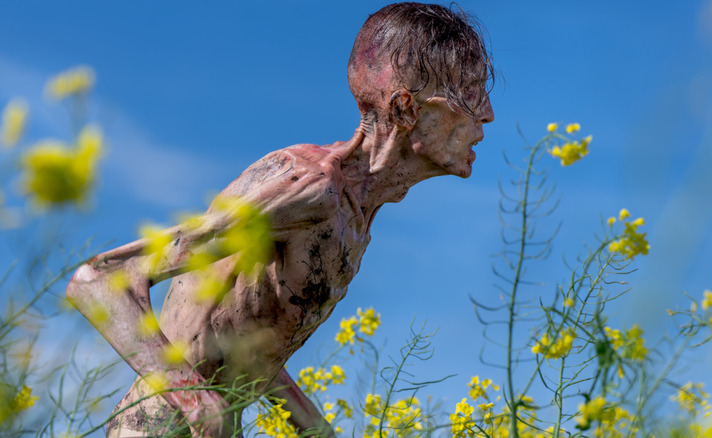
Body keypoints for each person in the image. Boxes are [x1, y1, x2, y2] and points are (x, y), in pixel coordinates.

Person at [66, 2, 494, 436]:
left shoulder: (358, 214)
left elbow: (241, 336)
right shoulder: (310, 186)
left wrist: (309, 422)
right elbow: (99, 282)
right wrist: (195, 402)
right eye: (471, 94)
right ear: (406, 109)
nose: (488, 115)